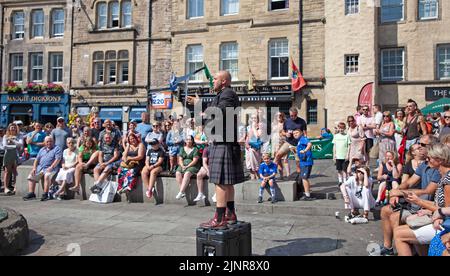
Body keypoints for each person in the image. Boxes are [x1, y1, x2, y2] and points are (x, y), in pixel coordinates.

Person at [194, 71, 245, 229]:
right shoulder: (223, 94)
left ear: (223, 81)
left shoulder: (228, 94)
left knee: (221, 181)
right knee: (227, 182)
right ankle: (230, 214)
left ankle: (220, 219)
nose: (212, 81)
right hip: (223, 142)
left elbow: (219, 114)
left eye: (215, 79)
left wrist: (200, 108)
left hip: (223, 143)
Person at [378, 135, 440, 256]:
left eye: (422, 145)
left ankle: (406, 249)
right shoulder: (425, 165)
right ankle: (389, 248)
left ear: (432, 147)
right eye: (418, 143)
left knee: (395, 219)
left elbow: (429, 191)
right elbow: (408, 182)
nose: (419, 147)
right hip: (419, 204)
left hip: (427, 207)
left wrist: (400, 193)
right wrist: (396, 193)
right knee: (385, 210)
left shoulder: (438, 168)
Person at [393, 143, 450, 256]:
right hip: (439, 220)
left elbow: (446, 211)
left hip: (443, 225)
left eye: (429, 158)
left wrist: (419, 201)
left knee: (399, 234)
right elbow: (441, 206)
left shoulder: (447, 181)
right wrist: (424, 207)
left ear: (439, 160)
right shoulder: (444, 176)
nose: (426, 160)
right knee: (408, 232)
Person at [22, 136, 62, 201]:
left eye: (50, 141)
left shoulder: (57, 148)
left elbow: (58, 159)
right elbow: (36, 160)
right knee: (31, 176)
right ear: (44, 142)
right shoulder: (42, 149)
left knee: (47, 175)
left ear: (53, 142)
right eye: (47, 142)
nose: (49, 143)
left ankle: (45, 194)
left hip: (51, 168)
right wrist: (34, 168)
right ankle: (31, 193)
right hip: (40, 168)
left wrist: (51, 167)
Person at [274, 107, 307, 177]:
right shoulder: (287, 121)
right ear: (289, 114)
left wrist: (304, 143)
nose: (293, 117)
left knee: (298, 163)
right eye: (291, 115)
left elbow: (305, 134)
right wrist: (286, 134)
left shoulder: (302, 121)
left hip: (298, 144)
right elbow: (282, 131)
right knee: (277, 155)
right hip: (288, 142)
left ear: (297, 114)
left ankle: (299, 180)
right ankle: (271, 172)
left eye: (295, 115)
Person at [175, 135, 201, 200]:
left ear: (192, 141)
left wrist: (187, 166)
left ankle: (181, 192)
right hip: (183, 165)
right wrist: (182, 166)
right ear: (185, 141)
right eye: (187, 139)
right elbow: (180, 159)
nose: (188, 141)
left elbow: (195, 161)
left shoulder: (195, 149)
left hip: (193, 165)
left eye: (190, 140)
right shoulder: (182, 149)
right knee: (178, 172)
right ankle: (183, 191)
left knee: (187, 173)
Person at [2, 123, 24, 196]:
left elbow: (20, 144)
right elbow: (4, 146)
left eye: (14, 127)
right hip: (8, 155)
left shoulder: (19, 136)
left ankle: (15, 187)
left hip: (16, 155)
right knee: (7, 171)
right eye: (12, 127)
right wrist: (15, 146)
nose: (13, 128)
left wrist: (12, 140)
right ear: (9, 128)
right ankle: (6, 188)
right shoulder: (5, 136)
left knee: (15, 172)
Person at [295, 129, 314, 201]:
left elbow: (310, 144)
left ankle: (307, 195)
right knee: (303, 178)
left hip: (306, 162)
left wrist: (305, 150)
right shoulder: (299, 141)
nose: (295, 134)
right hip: (303, 162)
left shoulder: (303, 139)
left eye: (297, 133)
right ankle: (306, 193)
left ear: (301, 133)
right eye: (294, 133)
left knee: (304, 178)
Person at [332, 122, 350, 186]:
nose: (341, 129)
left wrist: (347, 155)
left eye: (342, 128)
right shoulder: (336, 136)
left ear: (344, 128)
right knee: (339, 169)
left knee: (344, 169)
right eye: (340, 128)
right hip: (338, 156)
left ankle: (345, 181)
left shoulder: (347, 136)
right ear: (338, 128)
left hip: (344, 156)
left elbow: (349, 146)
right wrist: (334, 155)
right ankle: (340, 181)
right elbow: (334, 146)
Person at [271, 112, 288, 179]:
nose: (278, 116)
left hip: (282, 142)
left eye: (280, 115)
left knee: (285, 160)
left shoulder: (285, 123)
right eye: (277, 115)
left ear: (282, 116)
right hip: (275, 142)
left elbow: (285, 133)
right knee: (278, 159)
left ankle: (288, 175)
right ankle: (281, 175)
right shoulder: (273, 124)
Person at [245, 114, 262, 180]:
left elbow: (258, 136)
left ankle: (259, 180)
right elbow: (247, 136)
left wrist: (254, 128)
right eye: (252, 118)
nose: (253, 120)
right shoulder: (248, 127)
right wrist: (246, 144)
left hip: (255, 148)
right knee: (250, 166)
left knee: (256, 165)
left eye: (255, 118)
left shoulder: (260, 127)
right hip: (248, 148)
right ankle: (252, 180)